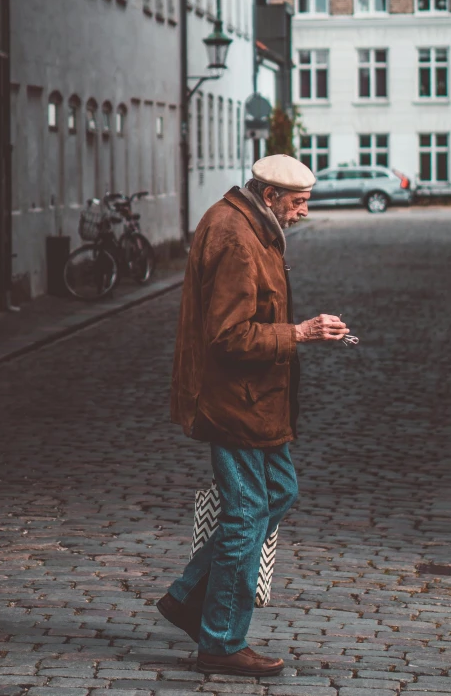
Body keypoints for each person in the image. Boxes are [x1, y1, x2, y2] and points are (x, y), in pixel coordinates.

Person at [157, 154, 349, 677]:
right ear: (269, 196)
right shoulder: (237, 238)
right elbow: (230, 335)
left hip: (258, 401)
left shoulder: (249, 222)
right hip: (233, 402)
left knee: (278, 492)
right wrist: (301, 333)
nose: (305, 211)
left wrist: (303, 331)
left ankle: (186, 597)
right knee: (245, 515)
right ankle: (220, 641)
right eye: (298, 202)